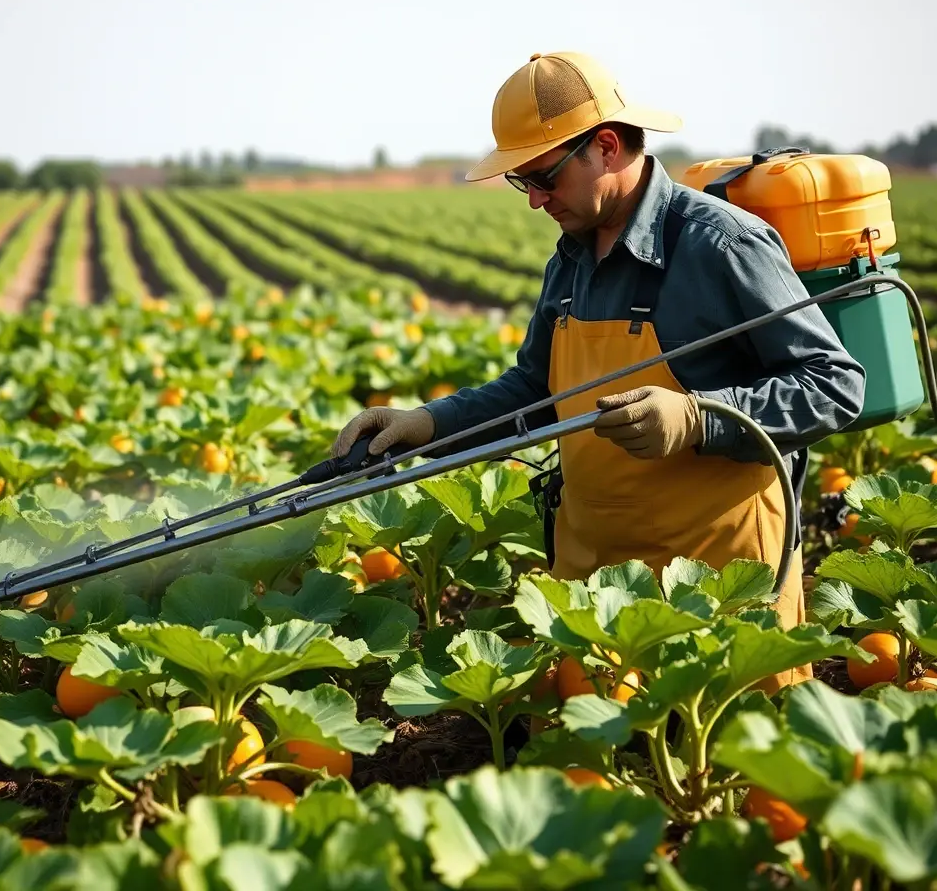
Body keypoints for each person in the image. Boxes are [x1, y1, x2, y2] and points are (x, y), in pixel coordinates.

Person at [331, 51, 866, 687]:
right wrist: (429, 422)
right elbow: (537, 389)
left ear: (606, 147)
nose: (534, 200)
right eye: (519, 182)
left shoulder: (722, 244)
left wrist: (700, 418)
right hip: (594, 587)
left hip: (715, 586)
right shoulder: (571, 258)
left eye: (543, 177)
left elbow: (834, 385)